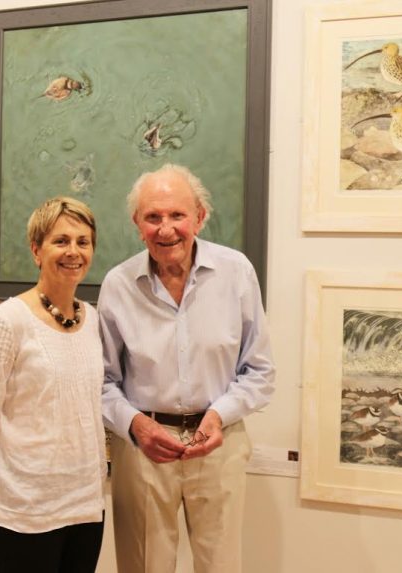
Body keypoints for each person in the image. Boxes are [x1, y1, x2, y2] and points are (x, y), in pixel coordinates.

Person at [99, 164, 275, 573]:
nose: (166, 229)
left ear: (200, 216)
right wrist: (135, 426)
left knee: (221, 566)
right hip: (143, 450)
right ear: (136, 224)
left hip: (219, 444)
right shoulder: (118, 284)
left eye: (177, 215)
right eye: (153, 217)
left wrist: (219, 415)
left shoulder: (237, 273)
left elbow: (261, 371)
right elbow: (103, 381)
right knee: (143, 566)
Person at [0, 197, 106, 573]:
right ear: (36, 250)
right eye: (61, 241)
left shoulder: (93, 320)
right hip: (25, 514)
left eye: (83, 242)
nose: (74, 251)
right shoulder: (4, 324)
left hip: (86, 506)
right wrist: (9, 480)